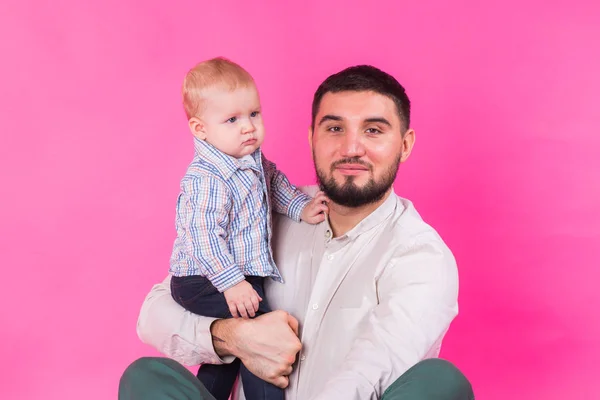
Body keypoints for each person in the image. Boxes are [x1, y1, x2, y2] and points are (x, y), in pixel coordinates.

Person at [120, 65, 475, 400]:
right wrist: (233, 337)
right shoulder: (263, 212)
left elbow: (370, 369)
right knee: (148, 376)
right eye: (335, 128)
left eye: (373, 130)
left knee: (441, 384)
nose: (352, 148)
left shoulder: (420, 256)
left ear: (406, 145)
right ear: (312, 139)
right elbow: (154, 313)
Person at [168, 57, 328, 400]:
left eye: (254, 114)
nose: (248, 127)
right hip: (203, 279)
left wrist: (301, 207)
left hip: (236, 279)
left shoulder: (251, 159)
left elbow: (274, 183)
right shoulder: (208, 178)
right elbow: (203, 237)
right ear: (200, 129)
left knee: (228, 352)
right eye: (232, 119)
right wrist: (231, 283)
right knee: (263, 337)